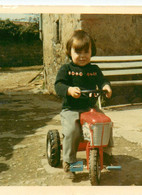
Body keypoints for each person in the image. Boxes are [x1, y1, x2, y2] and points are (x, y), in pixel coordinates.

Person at [54, 30, 115, 179]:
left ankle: (106, 153)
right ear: (70, 52)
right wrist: (68, 89)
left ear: (91, 52)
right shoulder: (67, 70)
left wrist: (106, 86)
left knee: (105, 122)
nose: (82, 56)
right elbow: (58, 85)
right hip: (71, 109)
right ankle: (70, 162)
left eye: (86, 52)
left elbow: (102, 81)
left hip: (90, 108)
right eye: (77, 51)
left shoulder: (94, 70)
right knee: (71, 132)